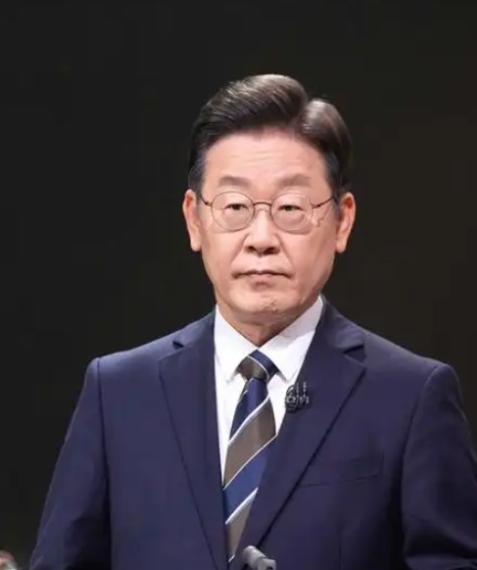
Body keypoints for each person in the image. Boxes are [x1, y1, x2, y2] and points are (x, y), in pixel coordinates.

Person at [30, 74, 477, 570]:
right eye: (236, 207)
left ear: (342, 220)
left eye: (290, 208)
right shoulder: (117, 393)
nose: (261, 238)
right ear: (194, 220)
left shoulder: (411, 398)